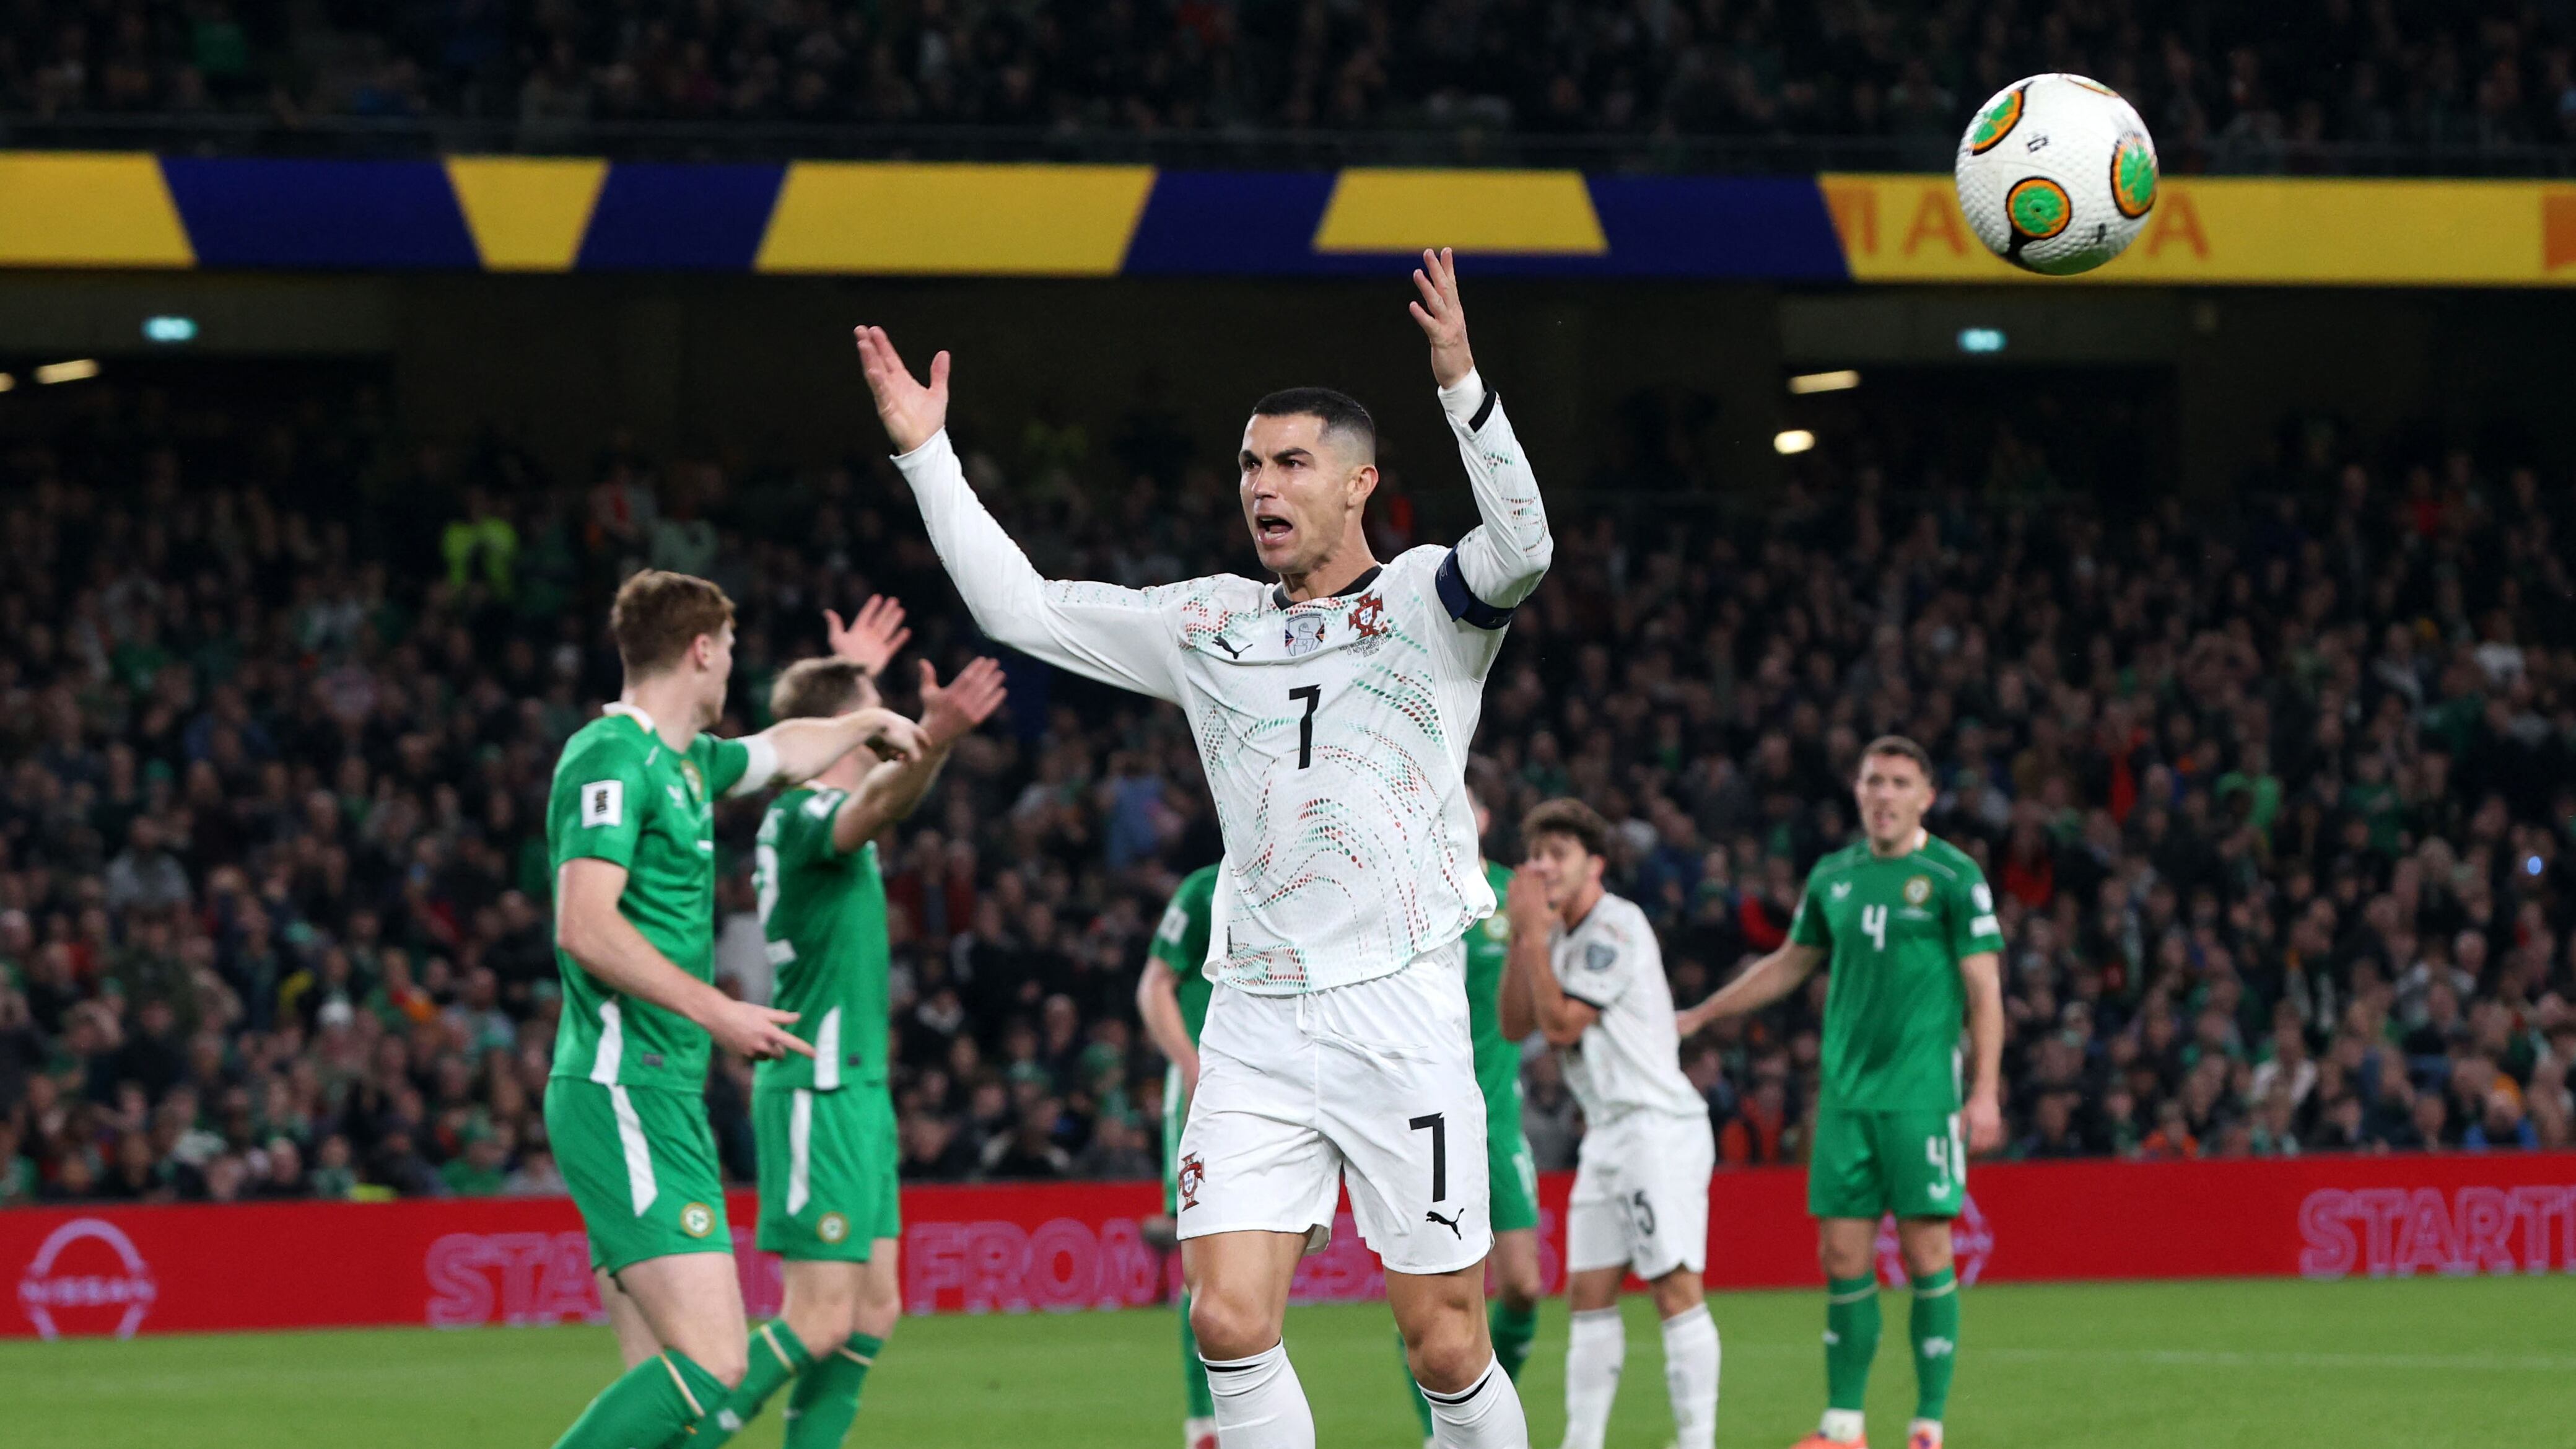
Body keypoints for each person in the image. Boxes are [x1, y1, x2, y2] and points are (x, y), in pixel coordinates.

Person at [855, 245, 1551, 1449]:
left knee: (1444, 1338)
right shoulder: (1209, 622)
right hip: (1258, 1019)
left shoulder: (1433, 607)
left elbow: (1527, 544)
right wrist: (928, 452)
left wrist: (1461, 383)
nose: (1262, 486)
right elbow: (1019, 609)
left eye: (1291, 463)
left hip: (1403, 1008)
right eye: (1248, 464)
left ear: (1359, 485)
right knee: (1226, 1317)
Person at [541, 570, 927, 1449]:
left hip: (657, 1089)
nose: (732, 673)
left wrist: (865, 716)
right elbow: (584, 924)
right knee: (716, 1361)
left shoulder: (687, 763)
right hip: (621, 1083)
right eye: (730, 652)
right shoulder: (610, 754)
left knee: (665, 1392)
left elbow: (785, 745)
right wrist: (716, 1009)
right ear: (702, 647)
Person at [698, 608, 1009, 1447]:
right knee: (819, 1317)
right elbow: (878, 800)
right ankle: (683, 1433)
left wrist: (849, 672)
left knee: (874, 1307)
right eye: (875, 708)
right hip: (817, 1087)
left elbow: (877, 784)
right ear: (842, 727)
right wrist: (934, 738)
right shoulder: (803, 818)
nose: (893, 721)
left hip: (858, 1089)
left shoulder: (832, 807)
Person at [1677, 736, 2007, 1449]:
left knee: (1925, 1255)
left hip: (1920, 1096)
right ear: (1857, 793)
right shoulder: (1834, 875)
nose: (1882, 794)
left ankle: (1927, 1424)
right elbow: (1791, 962)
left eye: (1897, 782)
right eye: (1872, 782)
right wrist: (1704, 1012)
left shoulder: (1952, 875)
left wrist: (1983, 1093)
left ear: (1924, 795)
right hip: (1846, 1101)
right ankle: (1844, 1424)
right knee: (1842, 1258)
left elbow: (1984, 989)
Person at [1503, 798, 1719, 1449]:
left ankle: (1697, 1439)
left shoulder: (1615, 925)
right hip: (1605, 1132)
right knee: (1587, 1291)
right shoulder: (1557, 936)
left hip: (1655, 1124)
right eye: (1536, 853)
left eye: (1558, 853)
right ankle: (1583, 1440)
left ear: (1594, 864)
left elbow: (1563, 1022)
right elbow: (1515, 1024)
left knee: (1673, 1284)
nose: (1543, 866)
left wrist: (1535, 938)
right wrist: (1523, 936)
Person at [1401, 797, 1545, 1447]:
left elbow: (1525, 1016)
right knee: (1429, 1302)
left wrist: (1525, 934)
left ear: (1483, 815)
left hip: (1496, 1111)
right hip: (1422, 1116)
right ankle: (1446, 1433)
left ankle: (1478, 1409)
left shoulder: (1512, 893)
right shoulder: (1406, 889)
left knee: (1521, 1284)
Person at [1136, 860, 1225, 1449]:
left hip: (1282, 1091)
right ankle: (1203, 1426)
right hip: (1205, 1093)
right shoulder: (1202, 890)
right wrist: (1191, 1064)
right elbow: (1154, 984)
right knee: (1205, 1257)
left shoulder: (1305, 870)